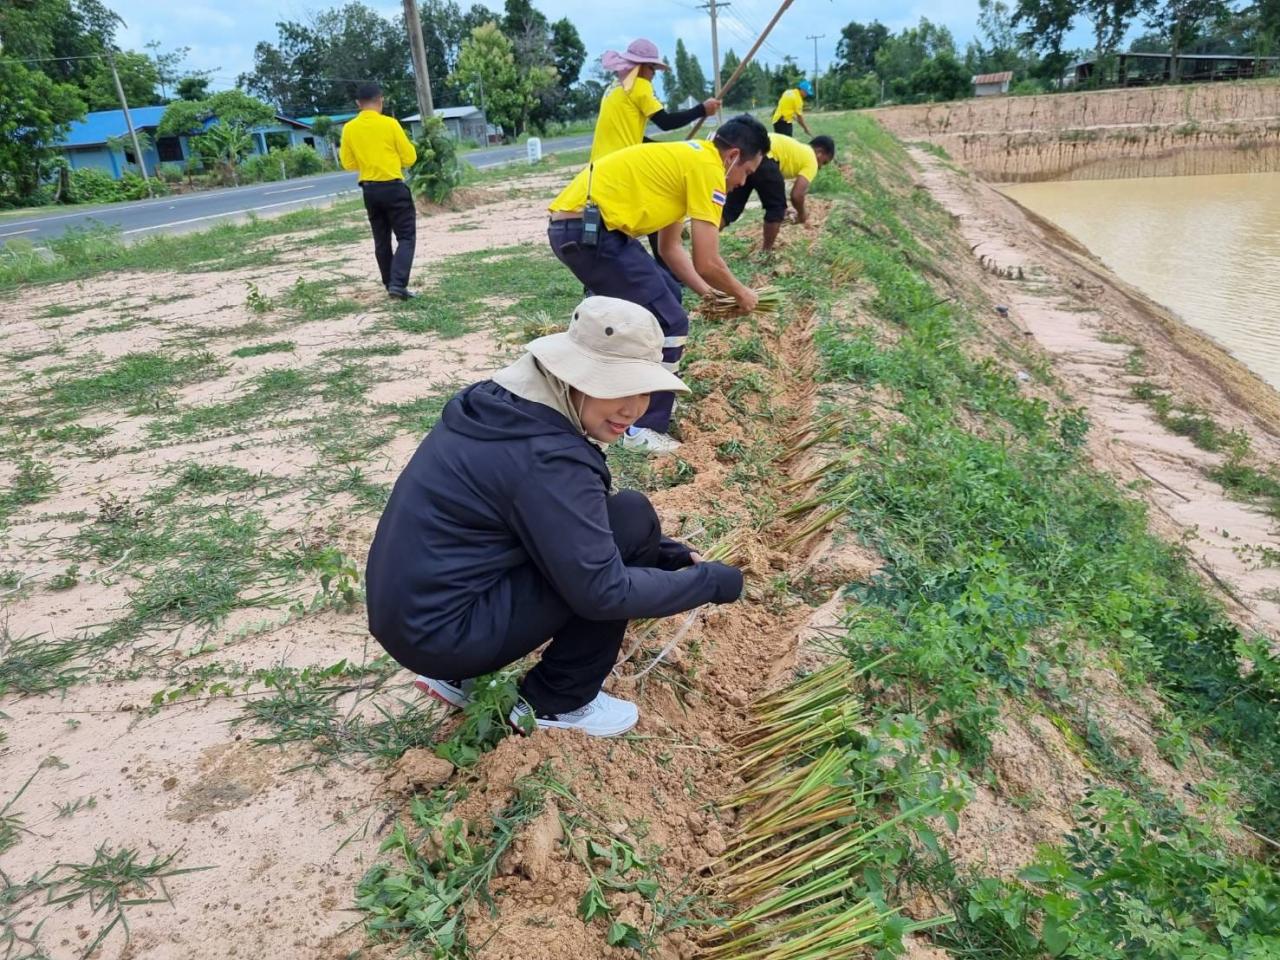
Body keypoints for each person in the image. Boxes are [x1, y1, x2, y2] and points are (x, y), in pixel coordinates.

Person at [364, 297, 745, 738]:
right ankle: (559, 700)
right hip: (446, 636)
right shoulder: (550, 459)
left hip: (411, 613)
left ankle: (457, 680)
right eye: (616, 387)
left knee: (623, 520)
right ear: (572, 375)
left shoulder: (497, 406)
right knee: (631, 520)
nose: (633, 409)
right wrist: (712, 583)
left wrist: (670, 555)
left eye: (643, 390)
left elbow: (552, 522)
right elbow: (604, 593)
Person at [546, 114, 771, 454]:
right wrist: (742, 294)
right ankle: (643, 427)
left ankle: (606, 399)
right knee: (671, 320)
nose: (741, 183)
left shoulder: (690, 160)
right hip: (590, 233)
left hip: (587, 232)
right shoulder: (708, 169)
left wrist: (709, 295)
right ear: (733, 157)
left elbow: (671, 249)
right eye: (747, 173)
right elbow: (707, 261)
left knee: (669, 295)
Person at [339, 82, 419, 300]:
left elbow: (347, 163)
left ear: (358, 104)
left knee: (381, 239)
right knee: (406, 237)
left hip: (370, 191)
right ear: (380, 100)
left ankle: (388, 283)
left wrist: (368, 163)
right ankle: (398, 284)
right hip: (393, 187)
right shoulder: (390, 124)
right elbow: (410, 157)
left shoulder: (349, 128)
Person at [591, 39, 720, 163]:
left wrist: (671, 148)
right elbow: (665, 122)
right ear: (639, 66)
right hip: (619, 163)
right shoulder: (638, 85)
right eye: (652, 68)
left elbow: (635, 139)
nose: (654, 74)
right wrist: (702, 109)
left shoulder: (614, 87)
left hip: (599, 163)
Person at [721, 134, 835, 252]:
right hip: (767, 157)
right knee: (776, 209)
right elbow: (797, 195)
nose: (821, 166)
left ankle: (702, 242)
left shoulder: (797, 149)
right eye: (824, 162)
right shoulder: (812, 160)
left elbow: (773, 186)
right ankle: (766, 252)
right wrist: (802, 214)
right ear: (819, 152)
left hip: (750, 155)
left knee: (730, 209)